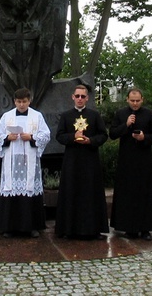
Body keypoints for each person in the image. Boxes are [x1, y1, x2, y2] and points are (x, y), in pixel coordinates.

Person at [0, 87, 50, 238]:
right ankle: (9, 227)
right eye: (18, 101)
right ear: (14, 101)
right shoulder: (7, 116)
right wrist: (7, 138)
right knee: (12, 190)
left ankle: (31, 227)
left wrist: (31, 137)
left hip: (29, 160)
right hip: (12, 160)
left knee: (29, 190)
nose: (21, 105)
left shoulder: (37, 116)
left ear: (29, 101)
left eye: (24, 101)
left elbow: (45, 135)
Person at [55, 85, 109, 239]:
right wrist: (73, 137)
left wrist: (90, 140)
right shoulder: (66, 116)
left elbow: (103, 135)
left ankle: (93, 229)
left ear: (87, 98)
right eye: (77, 96)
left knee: (91, 194)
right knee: (71, 192)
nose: (80, 99)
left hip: (90, 160)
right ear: (73, 97)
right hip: (72, 161)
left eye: (83, 96)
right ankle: (68, 229)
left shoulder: (94, 115)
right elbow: (59, 136)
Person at [109, 88, 152, 241]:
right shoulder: (121, 114)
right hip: (126, 160)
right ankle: (129, 227)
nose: (135, 103)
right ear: (127, 100)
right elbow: (112, 134)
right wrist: (126, 125)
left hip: (144, 160)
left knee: (144, 194)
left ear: (142, 99)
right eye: (132, 101)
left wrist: (144, 138)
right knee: (127, 194)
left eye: (138, 100)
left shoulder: (149, 114)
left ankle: (145, 228)